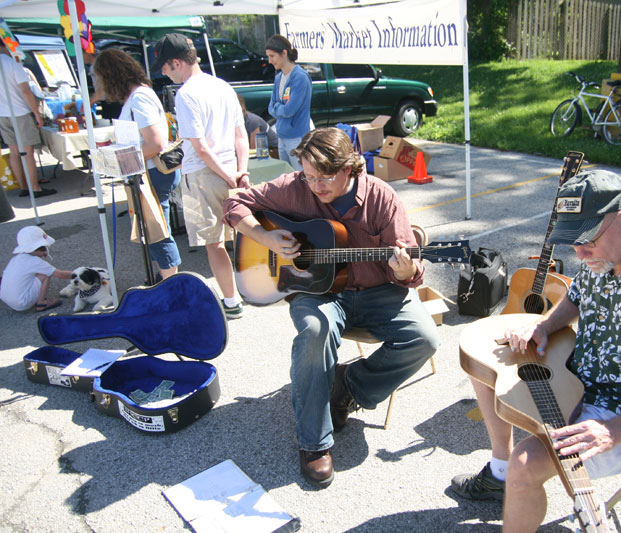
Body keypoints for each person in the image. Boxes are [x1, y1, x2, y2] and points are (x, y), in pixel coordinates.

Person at [451, 170, 621, 531]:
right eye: (572, 241)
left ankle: (512, 478)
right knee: (488, 362)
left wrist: (614, 431)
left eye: (588, 240)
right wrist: (543, 324)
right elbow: (577, 296)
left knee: (527, 464)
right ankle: (499, 476)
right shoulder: (603, 252)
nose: (580, 251)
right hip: (582, 378)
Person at [222, 127, 439, 487]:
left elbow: (409, 273)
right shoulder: (295, 187)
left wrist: (408, 269)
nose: (315, 186)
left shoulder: (382, 198)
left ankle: (347, 387)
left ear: (351, 167)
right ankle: (314, 443)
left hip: (377, 290)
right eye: (309, 177)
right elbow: (234, 204)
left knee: (424, 338)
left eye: (324, 178)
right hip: (317, 291)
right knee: (315, 332)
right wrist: (266, 238)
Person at [153, 33, 249, 318]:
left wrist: (229, 174)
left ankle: (232, 302)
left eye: (165, 66)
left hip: (202, 174)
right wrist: (240, 172)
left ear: (176, 62)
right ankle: (249, 290)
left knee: (214, 243)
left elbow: (201, 148)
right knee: (243, 235)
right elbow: (240, 134)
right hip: (232, 167)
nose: (163, 72)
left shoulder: (186, 94)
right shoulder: (222, 86)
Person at [93, 48, 182, 281]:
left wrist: (118, 160)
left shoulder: (140, 97)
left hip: (151, 173)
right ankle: (166, 278)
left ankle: (171, 282)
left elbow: (156, 142)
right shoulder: (139, 95)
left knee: (156, 231)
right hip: (147, 172)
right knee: (152, 230)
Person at [0, 40, 55, 198]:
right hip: (20, 113)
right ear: (3, 46)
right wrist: (37, 113)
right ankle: (35, 188)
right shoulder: (13, 64)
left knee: (14, 152)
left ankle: (24, 187)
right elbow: (25, 91)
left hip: (3, 114)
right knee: (27, 152)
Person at [265, 34, 311, 171]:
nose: (269, 61)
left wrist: (278, 108)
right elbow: (270, 108)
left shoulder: (300, 77)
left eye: (272, 56)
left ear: (284, 53)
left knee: (301, 177)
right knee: (288, 179)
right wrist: (280, 108)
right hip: (282, 136)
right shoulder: (279, 77)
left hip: (297, 137)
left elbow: (289, 110)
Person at [1, 226, 71, 312]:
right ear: (37, 247)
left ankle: (35, 296)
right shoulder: (34, 261)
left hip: (6, 298)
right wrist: (79, 274)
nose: (45, 251)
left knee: (34, 274)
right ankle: (41, 303)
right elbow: (60, 274)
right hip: (21, 302)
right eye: (44, 248)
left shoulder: (16, 259)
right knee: (45, 275)